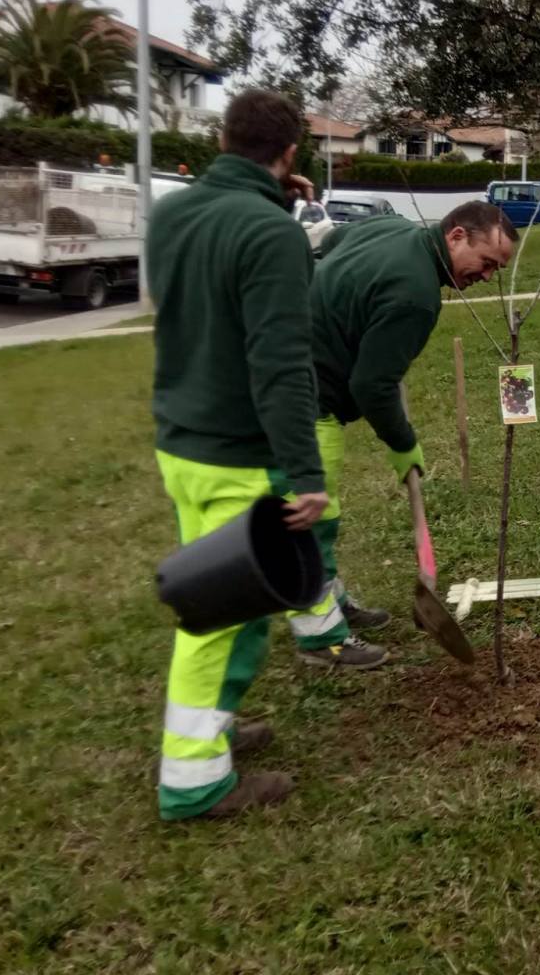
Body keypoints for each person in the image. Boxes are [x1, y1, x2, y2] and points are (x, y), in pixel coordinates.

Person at [149, 89, 332, 819]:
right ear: (290, 153)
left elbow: (212, 299)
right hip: (239, 454)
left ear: (221, 140)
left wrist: (273, 203)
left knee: (224, 594)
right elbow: (280, 362)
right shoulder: (270, 233)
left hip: (181, 443)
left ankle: (211, 731)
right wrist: (307, 472)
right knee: (221, 617)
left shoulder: (172, 214)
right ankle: (193, 781)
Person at [309, 199, 515, 644]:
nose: (486, 277)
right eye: (486, 263)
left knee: (317, 509)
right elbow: (371, 386)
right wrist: (403, 444)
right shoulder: (417, 295)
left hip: (294, 367)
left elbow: (335, 240)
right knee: (313, 514)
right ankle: (320, 636)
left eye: (496, 270)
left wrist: (355, 302)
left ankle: (326, 596)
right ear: (456, 236)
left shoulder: (392, 227)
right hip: (303, 394)